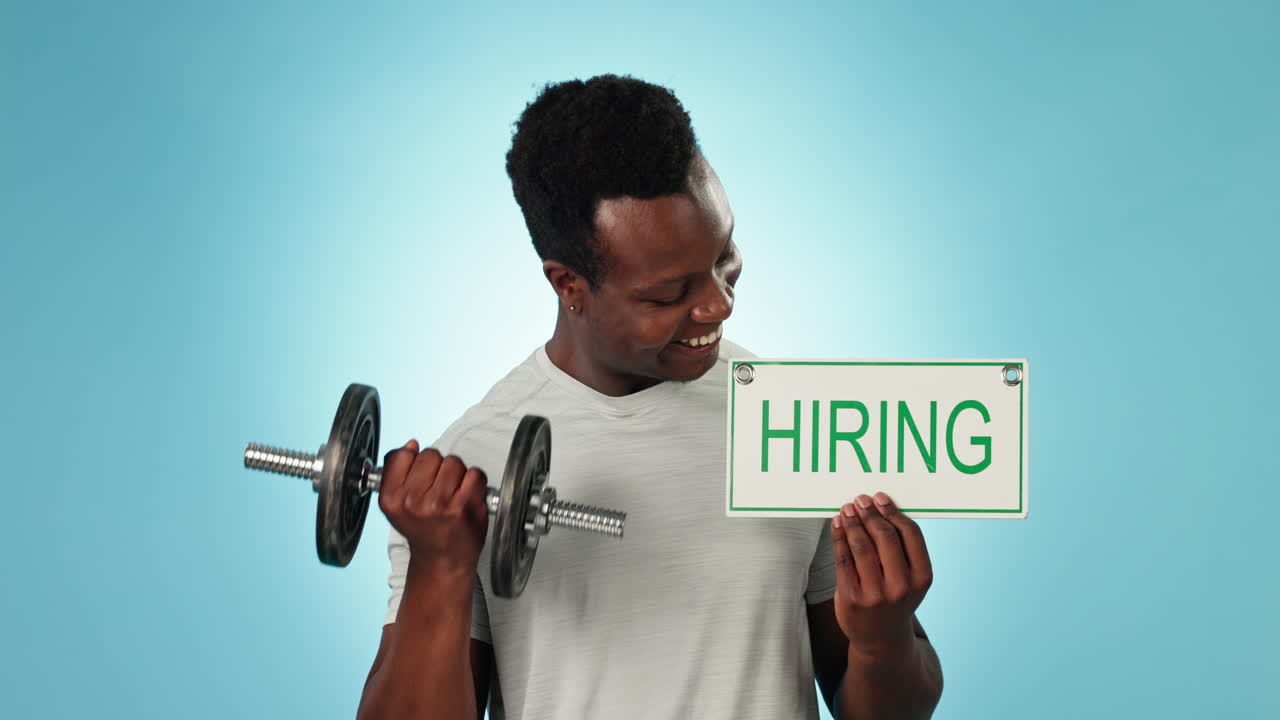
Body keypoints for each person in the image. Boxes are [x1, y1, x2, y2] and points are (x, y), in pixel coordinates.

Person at [355, 74, 943, 720]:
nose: (718, 305)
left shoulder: (793, 422)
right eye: (670, 294)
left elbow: (890, 712)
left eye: (725, 258)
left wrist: (884, 638)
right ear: (569, 285)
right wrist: (441, 567)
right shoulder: (470, 465)